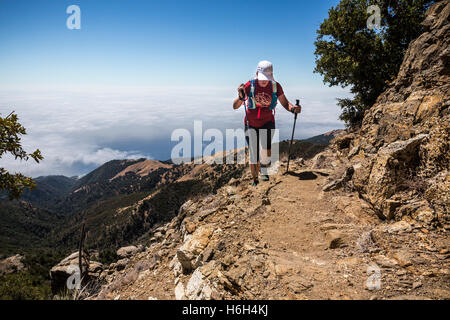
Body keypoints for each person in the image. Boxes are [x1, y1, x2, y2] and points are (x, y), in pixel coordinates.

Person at [233, 61, 301, 186]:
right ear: (257, 74)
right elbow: (235, 106)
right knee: (254, 154)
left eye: (267, 78)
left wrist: (293, 109)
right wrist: (241, 96)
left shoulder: (275, 86)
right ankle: (255, 180)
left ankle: (264, 169)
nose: (264, 81)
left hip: (268, 122)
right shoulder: (249, 85)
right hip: (250, 123)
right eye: (262, 78)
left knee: (267, 151)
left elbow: (285, 103)